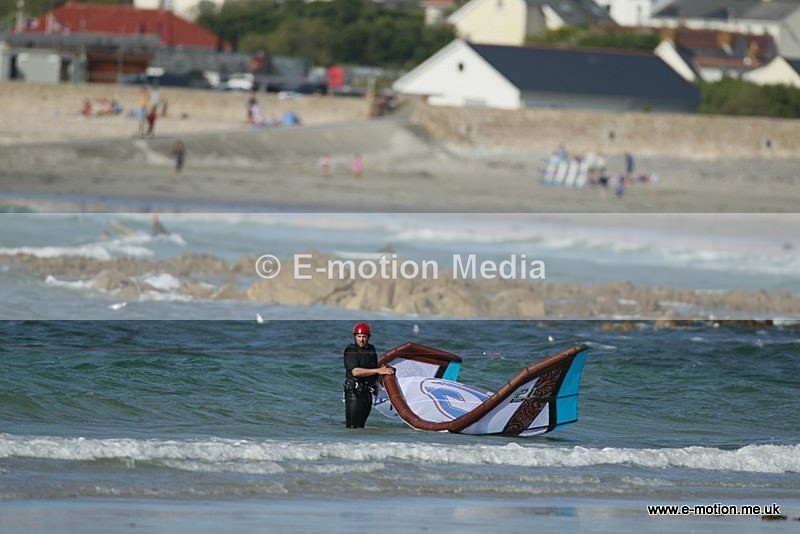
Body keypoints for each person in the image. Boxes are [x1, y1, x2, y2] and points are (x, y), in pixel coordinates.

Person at [343, 322, 394, 428]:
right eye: (359, 336)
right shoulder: (351, 350)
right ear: (355, 337)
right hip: (354, 393)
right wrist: (378, 370)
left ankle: (361, 445)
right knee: (352, 427)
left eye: (364, 337)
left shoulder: (371, 350)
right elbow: (355, 372)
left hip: (368, 392)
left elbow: (374, 370)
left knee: (361, 427)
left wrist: (382, 376)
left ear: (368, 337)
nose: (361, 339)